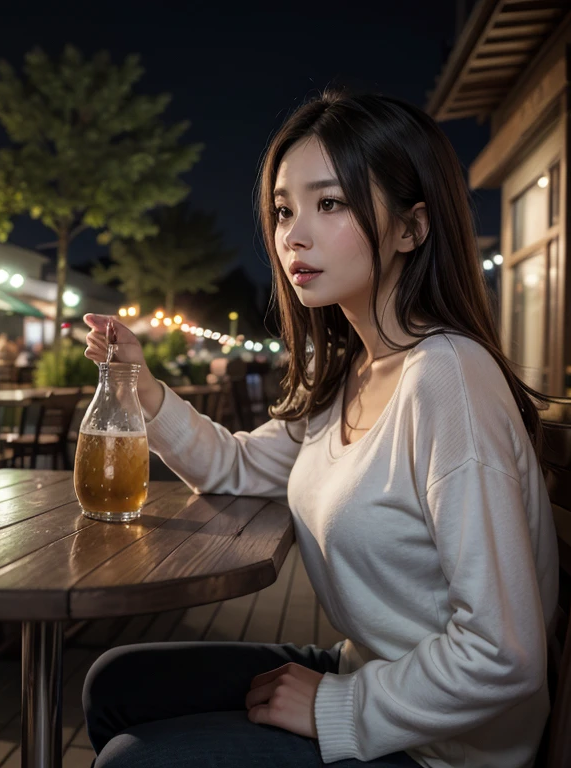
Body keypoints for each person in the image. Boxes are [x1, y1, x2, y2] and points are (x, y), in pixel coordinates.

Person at [80, 89, 561, 768]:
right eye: (283, 210)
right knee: (117, 683)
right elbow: (238, 469)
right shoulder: (357, 372)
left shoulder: (447, 377)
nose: (291, 236)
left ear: (410, 228)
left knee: (135, 760)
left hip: (447, 745)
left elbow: (505, 653)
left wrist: (337, 707)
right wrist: (144, 385)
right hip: (370, 670)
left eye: (329, 203)